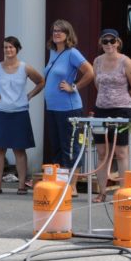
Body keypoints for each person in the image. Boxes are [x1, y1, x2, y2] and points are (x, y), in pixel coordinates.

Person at [0, 36, 45, 195]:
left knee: (19, 150)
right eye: (6, 47)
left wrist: (30, 95)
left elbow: (41, 81)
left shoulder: (25, 68)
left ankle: (21, 185)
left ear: (17, 49)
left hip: (19, 112)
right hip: (0, 112)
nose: (8, 50)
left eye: (11, 47)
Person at [90, 28, 131, 201]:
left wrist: (123, 100)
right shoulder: (97, 61)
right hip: (101, 109)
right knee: (102, 151)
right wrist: (106, 99)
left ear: (118, 43)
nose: (109, 44)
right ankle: (102, 191)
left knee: (121, 152)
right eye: (105, 41)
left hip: (121, 109)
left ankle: (123, 192)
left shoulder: (125, 62)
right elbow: (98, 84)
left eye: (112, 41)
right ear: (101, 44)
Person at [44, 19, 94, 171]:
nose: (57, 33)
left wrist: (74, 87)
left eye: (61, 31)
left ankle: (72, 186)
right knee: (56, 146)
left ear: (68, 34)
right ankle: (59, 183)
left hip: (68, 108)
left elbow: (90, 72)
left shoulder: (72, 53)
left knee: (70, 147)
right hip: (52, 107)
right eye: (54, 30)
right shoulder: (53, 52)